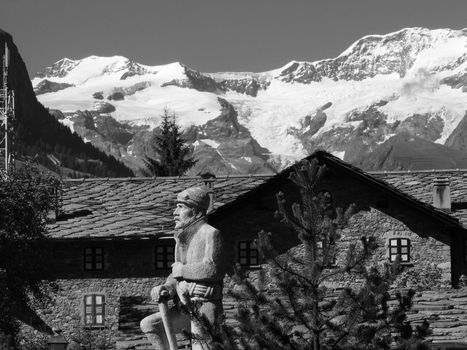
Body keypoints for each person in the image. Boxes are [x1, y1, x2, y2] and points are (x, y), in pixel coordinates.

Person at [140, 186, 225, 349]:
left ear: (195, 211)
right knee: (149, 324)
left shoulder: (211, 234)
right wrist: (167, 287)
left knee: (202, 347)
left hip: (204, 306)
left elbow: (213, 269)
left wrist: (182, 270)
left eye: (180, 207)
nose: (174, 212)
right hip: (184, 307)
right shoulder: (181, 239)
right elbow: (175, 275)